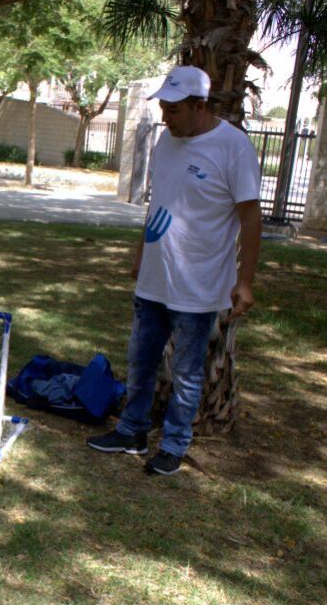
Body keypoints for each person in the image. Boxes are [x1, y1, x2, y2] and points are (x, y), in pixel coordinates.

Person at [86, 66, 262, 476]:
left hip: (198, 286)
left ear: (200, 105)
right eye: (163, 107)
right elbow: (157, 204)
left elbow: (251, 218)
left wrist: (246, 281)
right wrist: (139, 254)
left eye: (174, 109)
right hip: (154, 279)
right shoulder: (167, 141)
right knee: (140, 362)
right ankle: (131, 431)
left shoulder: (233, 147)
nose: (166, 117)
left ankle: (175, 444)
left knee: (186, 372)